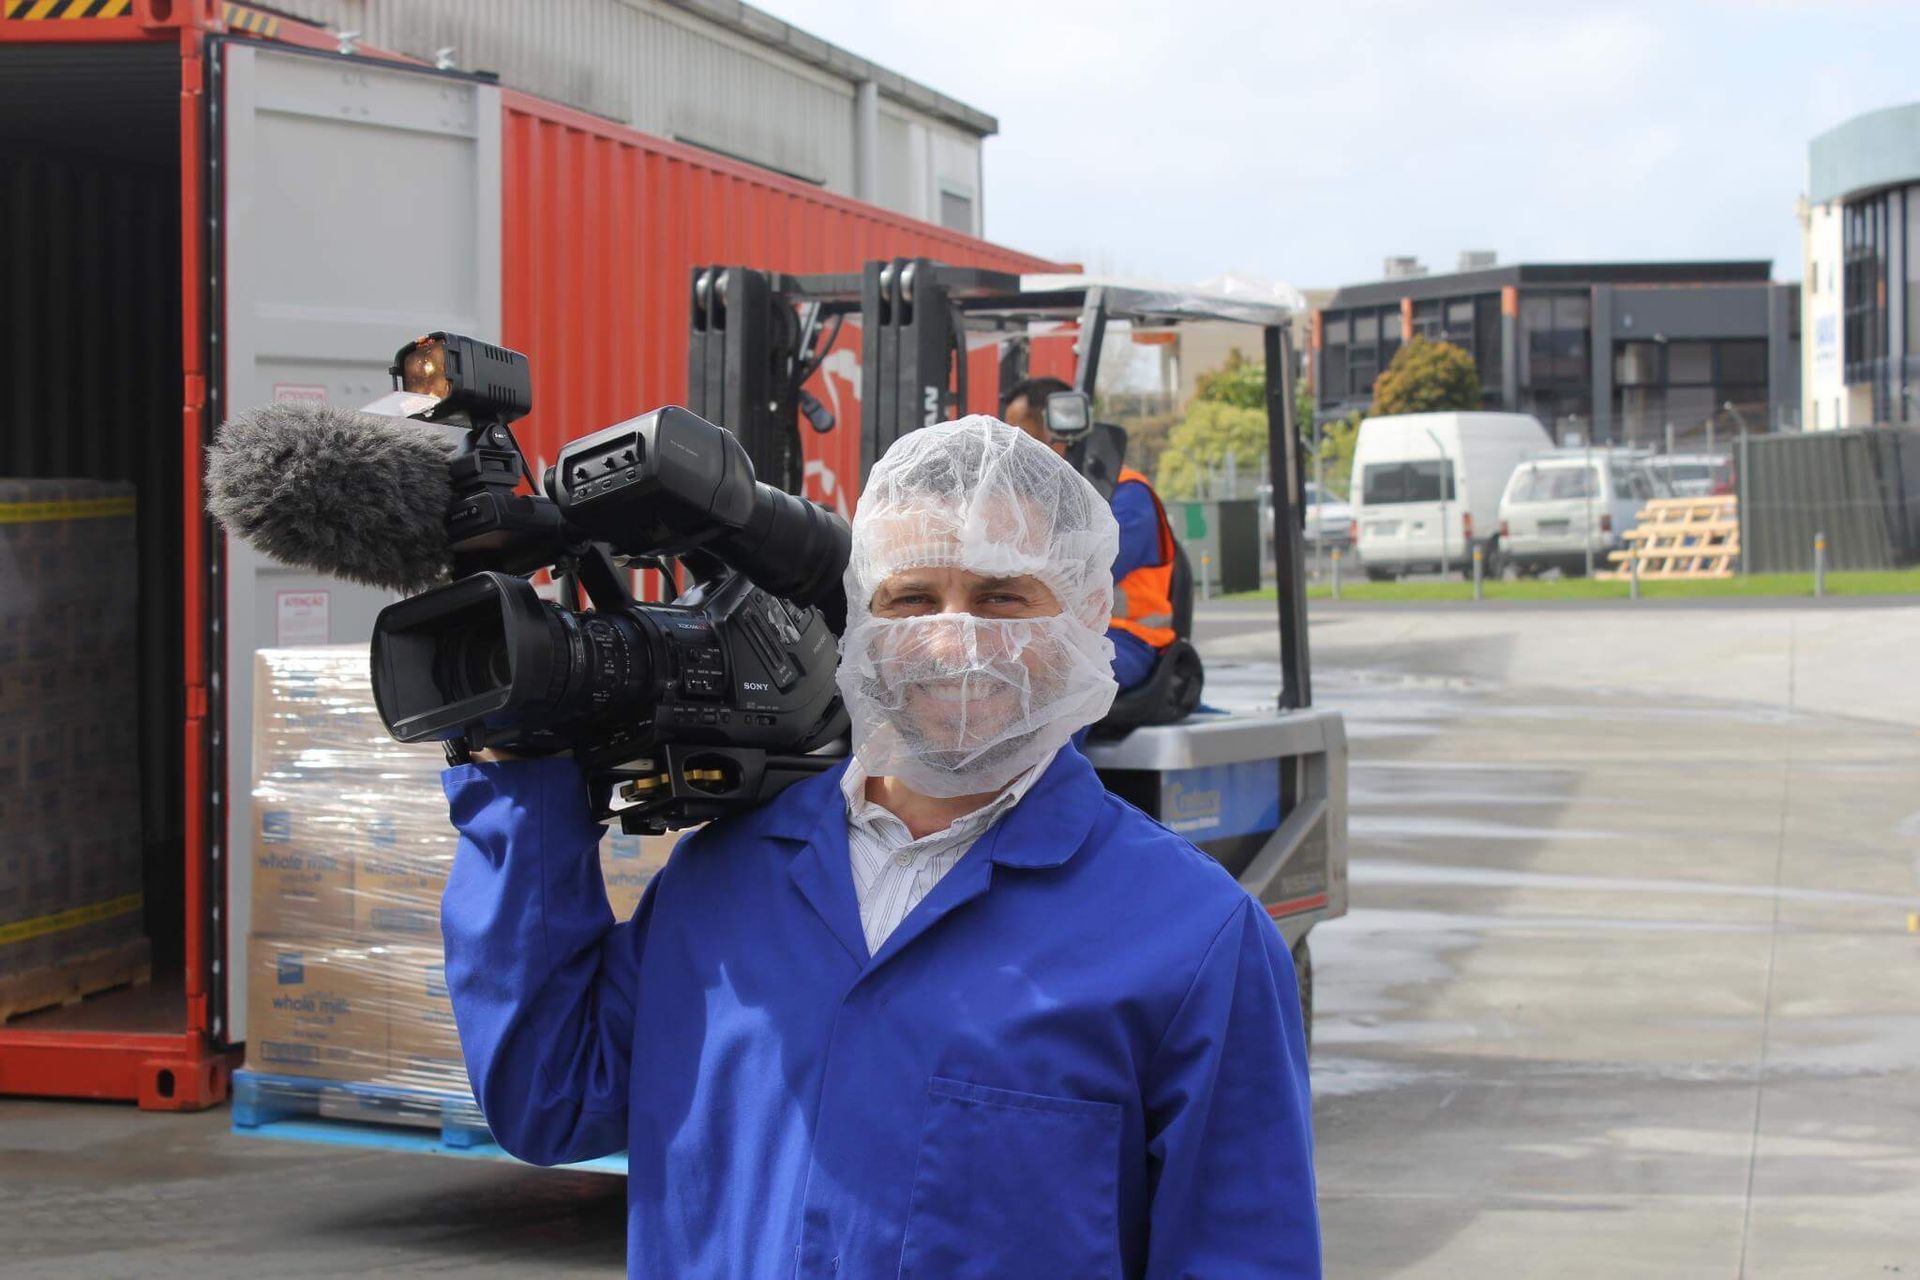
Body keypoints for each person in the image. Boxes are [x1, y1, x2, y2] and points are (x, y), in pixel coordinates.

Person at [440, 418, 1320, 1279]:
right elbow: (548, 1099)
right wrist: (521, 781)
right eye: (911, 599)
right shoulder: (724, 880)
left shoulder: (1194, 940)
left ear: (1088, 617)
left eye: (1002, 597)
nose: (952, 639)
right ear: (860, 619)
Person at [1001, 376, 1178, 691]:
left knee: (1060, 669)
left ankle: (1060, 744)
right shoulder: (1032, 498)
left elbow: (1082, 574)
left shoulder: (1126, 493)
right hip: (1060, 633)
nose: (1016, 449)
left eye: (1024, 434)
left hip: (1129, 639)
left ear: (1060, 426)